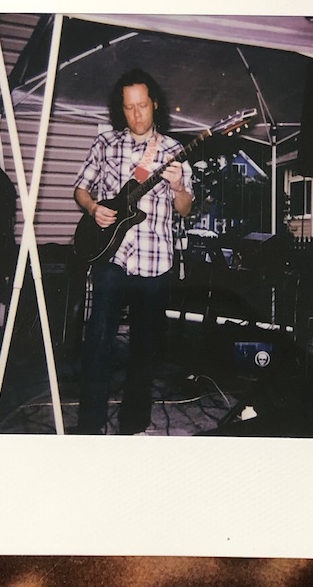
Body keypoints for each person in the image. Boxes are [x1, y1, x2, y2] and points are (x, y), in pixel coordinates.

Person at [73, 69, 193, 435]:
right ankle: (89, 425)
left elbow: (186, 208)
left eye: (142, 105)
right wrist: (93, 208)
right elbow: (81, 188)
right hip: (111, 254)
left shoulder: (172, 150)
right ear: (120, 109)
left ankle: (133, 423)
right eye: (129, 107)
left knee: (145, 346)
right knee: (99, 339)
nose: (137, 114)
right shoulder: (106, 143)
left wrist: (178, 187)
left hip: (154, 258)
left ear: (154, 104)